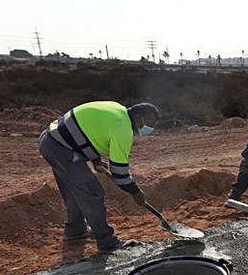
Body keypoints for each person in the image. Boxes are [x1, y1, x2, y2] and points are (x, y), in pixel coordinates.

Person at [38, 101, 160, 252]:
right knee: (92, 192)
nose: (150, 129)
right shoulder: (123, 129)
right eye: (149, 124)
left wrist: (95, 159)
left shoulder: (117, 109)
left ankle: (75, 231)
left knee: (76, 192)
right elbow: (119, 171)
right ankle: (107, 242)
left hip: (51, 140)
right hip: (62, 149)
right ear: (139, 118)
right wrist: (135, 192)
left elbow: (88, 130)